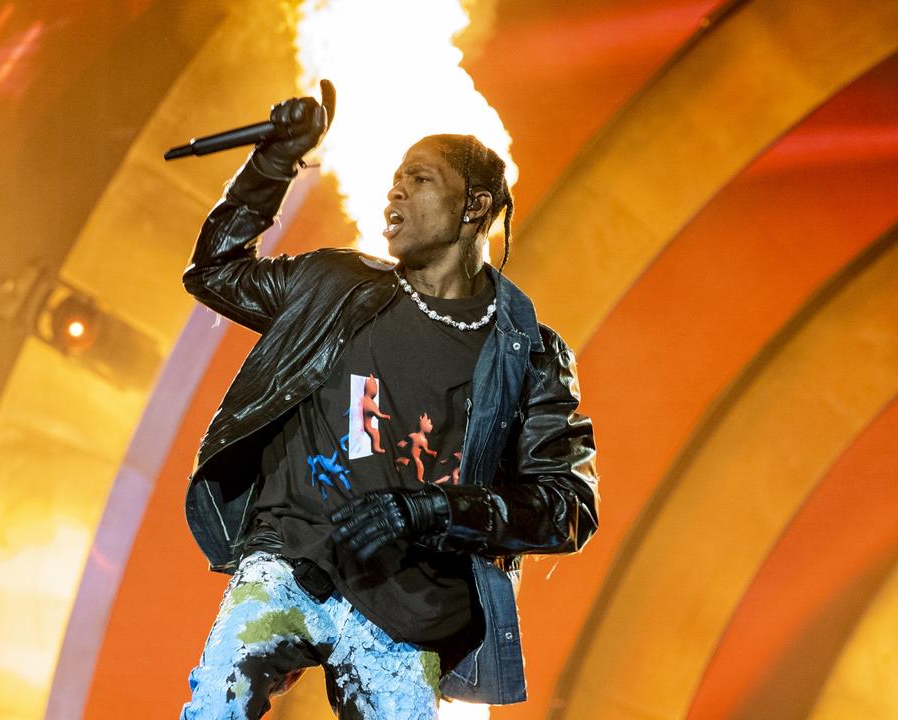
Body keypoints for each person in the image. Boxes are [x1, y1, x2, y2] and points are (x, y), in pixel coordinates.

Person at [179, 90, 598, 719]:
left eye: (418, 178)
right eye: (394, 178)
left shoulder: (527, 353)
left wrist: (433, 509)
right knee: (216, 706)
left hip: (407, 610)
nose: (393, 192)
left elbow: (567, 507)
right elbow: (213, 271)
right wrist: (276, 159)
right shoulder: (333, 286)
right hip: (290, 562)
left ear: (474, 206)